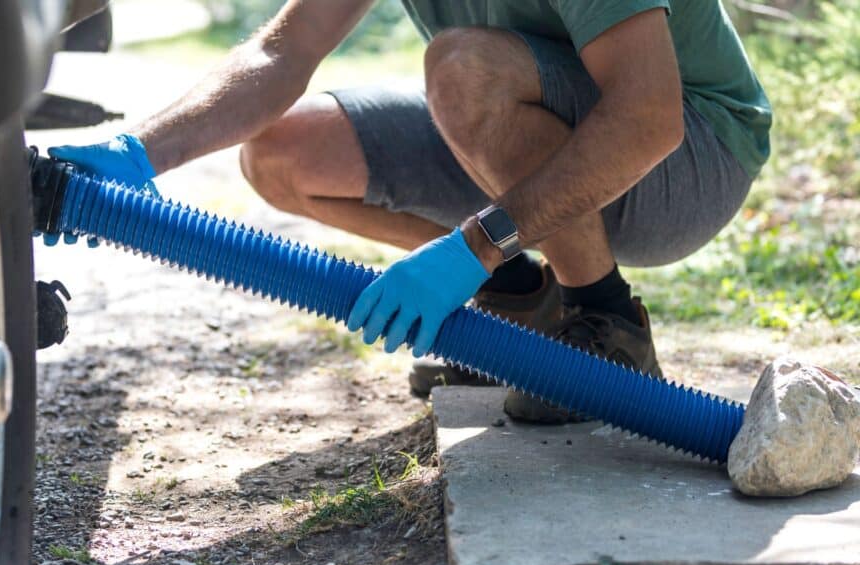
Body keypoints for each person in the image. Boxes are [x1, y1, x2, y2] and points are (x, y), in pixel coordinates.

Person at [49, 0, 770, 423]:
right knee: (283, 152)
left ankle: (605, 320)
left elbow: (648, 120)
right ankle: (525, 311)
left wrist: (475, 245)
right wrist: (137, 151)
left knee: (463, 67)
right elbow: (281, 52)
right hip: (531, 126)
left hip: (692, 158)